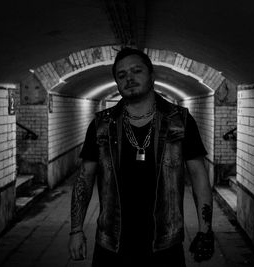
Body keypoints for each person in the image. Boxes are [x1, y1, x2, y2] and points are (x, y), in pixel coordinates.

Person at [68, 47, 215, 267]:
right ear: (117, 83)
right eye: (122, 75)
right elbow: (84, 178)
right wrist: (76, 229)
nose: (129, 78)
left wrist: (205, 231)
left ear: (151, 74)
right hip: (111, 244)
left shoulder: (180, 121)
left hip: (165, 244)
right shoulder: (101, 126)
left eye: (136, 71)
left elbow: (198, 175)